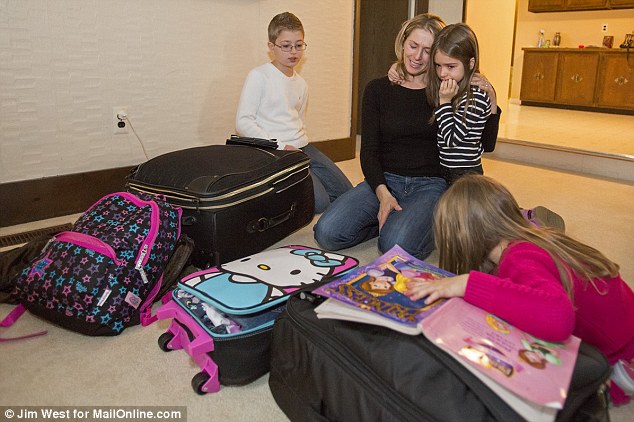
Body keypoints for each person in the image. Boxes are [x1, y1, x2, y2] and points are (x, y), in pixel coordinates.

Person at [404, 174, 634, 405]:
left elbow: (558, 318)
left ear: (462, 238)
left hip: (621, 351)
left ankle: (614, 378)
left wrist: (467, 284)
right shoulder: (531, 238)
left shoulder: (517, 259)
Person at [313, 13, 501, 260]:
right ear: (402, 43)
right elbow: (368, 150)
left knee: (393, 247)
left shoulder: (447, 90)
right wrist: (382, 193)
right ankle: (391, 222)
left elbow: (485, 143)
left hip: (430, 184)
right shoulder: (378, 89)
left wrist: (492, 101)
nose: (417, 56)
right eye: (413, 46)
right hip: (384, 180)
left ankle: (429, 225)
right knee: (327, 233)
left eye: (427, 50)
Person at [235, 12, 352, 214]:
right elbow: (243, 122)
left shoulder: (301, 83)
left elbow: (298, 119)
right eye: (286, 46)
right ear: (271, 46)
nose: (293, 52)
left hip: (302, 146)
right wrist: (281, 146)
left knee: (347, 193)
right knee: (320, 203)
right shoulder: (259, 76)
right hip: (275, 150)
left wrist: (299, 147)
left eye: (299, 45)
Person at [427, 23, 490, 185]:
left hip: (465, 173)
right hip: (443, 168)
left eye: (450, 66)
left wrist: (444, 102)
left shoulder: (476, 96)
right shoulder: (451, 88)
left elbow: (451, 139)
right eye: (438, 65)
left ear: (470, 63)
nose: (442, 73)